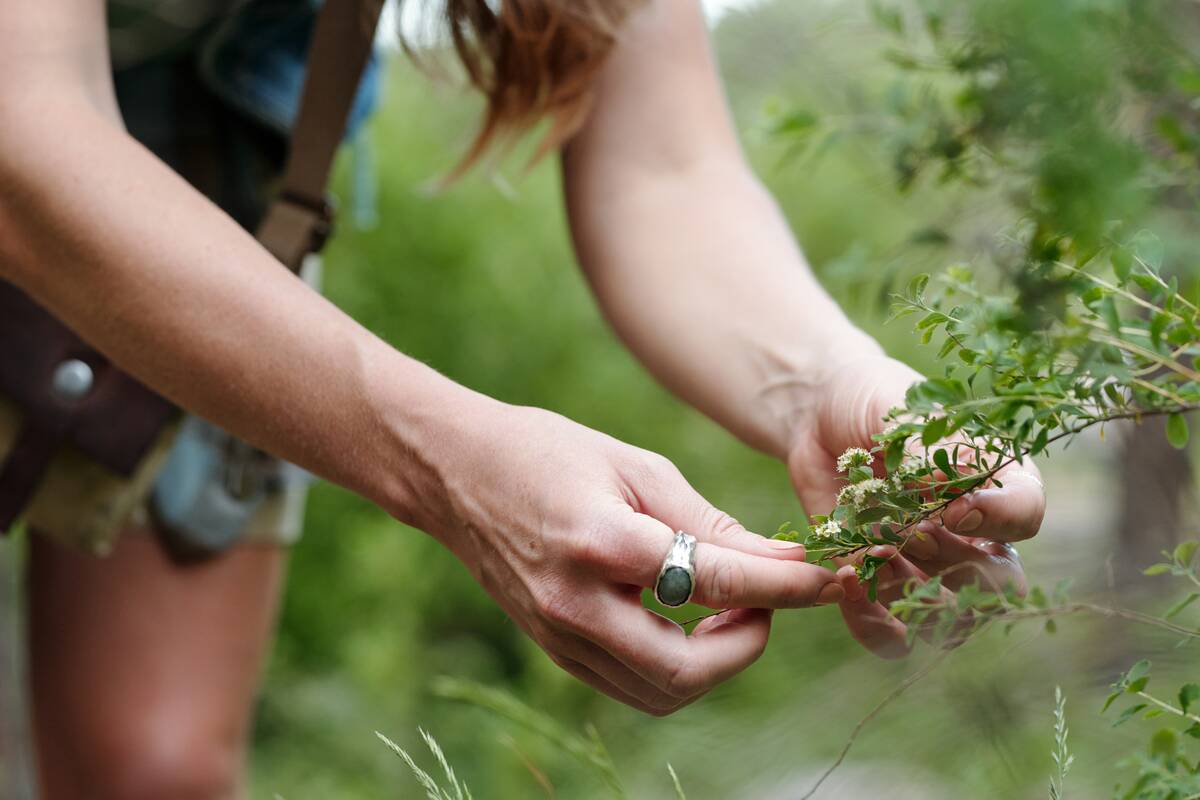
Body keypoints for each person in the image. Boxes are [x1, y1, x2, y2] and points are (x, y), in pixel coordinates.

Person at [0, 0, 1046, 797]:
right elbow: (22, 123)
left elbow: (663, 164)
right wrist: (449, 458)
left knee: (155, 769)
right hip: (45, 138)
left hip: (219, 199)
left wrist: (825, 376)